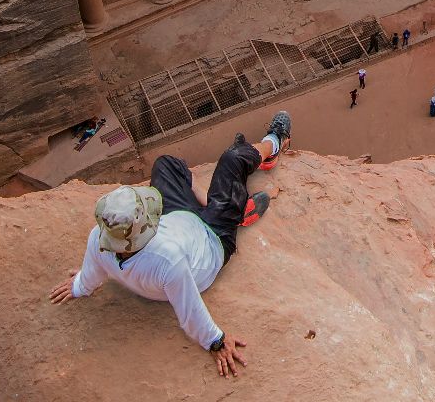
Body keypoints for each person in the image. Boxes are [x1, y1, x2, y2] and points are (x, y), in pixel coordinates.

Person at [50, 110, 290, 378]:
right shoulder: (167, 260)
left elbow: (92, 274)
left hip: (179, 221)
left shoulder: (99, 239)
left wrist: (79, 286)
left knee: (166, 163)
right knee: (232, 160)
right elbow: (189, 312)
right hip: (213, 238)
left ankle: (223, 206)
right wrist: (217, 343)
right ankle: (275, 142)